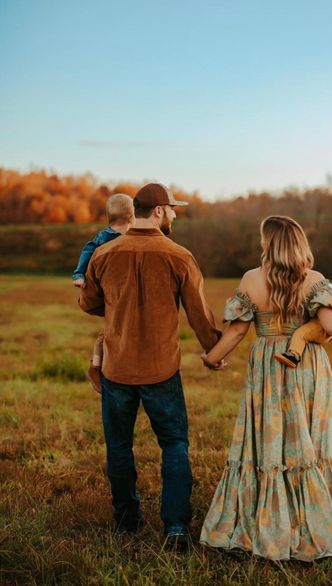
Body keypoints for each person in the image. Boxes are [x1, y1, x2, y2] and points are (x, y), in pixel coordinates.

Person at [199, 215, 332, 561]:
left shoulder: (251, 278)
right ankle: (315, 519)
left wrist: (211, 358)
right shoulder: (316, 281)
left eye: (263, 239)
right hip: (308, 365)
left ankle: (266, 522)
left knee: (270, 441)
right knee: (309, 439)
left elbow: (235, 331)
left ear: (270, 244)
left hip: (266, 365)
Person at [79, 183, 221, 549]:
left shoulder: (104, 254)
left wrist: (117, 309)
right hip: (161, 370)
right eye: (172, 209)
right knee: (174, 444)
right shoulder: (179, 256)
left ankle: (126, 521)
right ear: (157, 211)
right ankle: (175, 528)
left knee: (119, 446)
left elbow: (89, 302)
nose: (175, 214)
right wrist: (215, 350)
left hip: (117, 368)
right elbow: (200, 316)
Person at [72, 193, 135, 392]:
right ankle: (96, 366)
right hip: (108, 291)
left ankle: (99, 366)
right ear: (131, 218)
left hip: (120, 290)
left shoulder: (128, 238)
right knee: (107, 332)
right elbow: (87, 250)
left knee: (110, 331)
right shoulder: (105, 236)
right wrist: (79, 273)